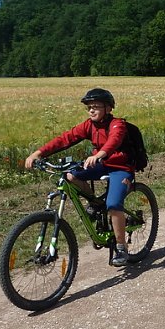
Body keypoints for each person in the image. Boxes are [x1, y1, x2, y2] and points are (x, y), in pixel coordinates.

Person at [24, 88, 134, 266]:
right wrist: (38, 153)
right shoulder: (88, 125)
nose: (91, 110)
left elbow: (114, 141)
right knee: (70, 175)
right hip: (101, 164)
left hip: (120, 167)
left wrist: (100, 154)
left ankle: (121, 248)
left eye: (96, 106)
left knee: (113, 204)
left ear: (108, 108)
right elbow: (65, 139)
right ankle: (95, 203)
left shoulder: (117, 124)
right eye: (89, 107)